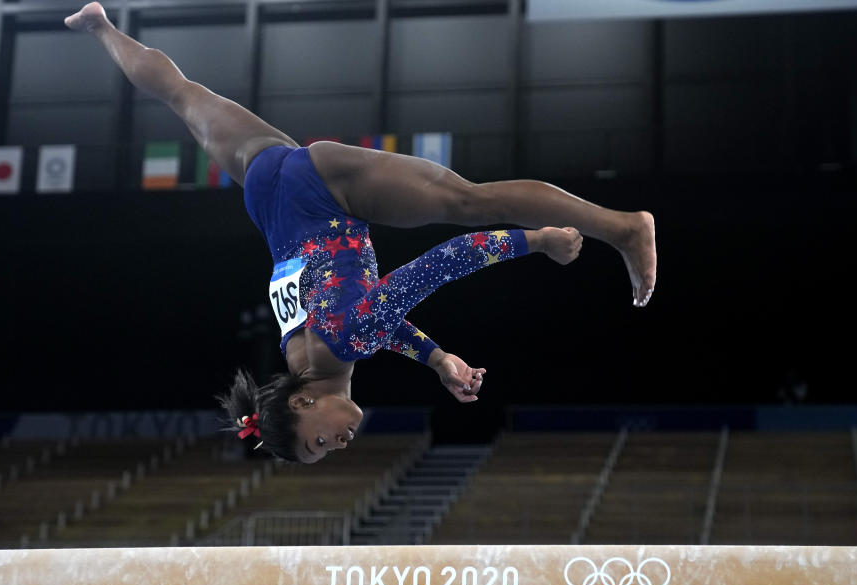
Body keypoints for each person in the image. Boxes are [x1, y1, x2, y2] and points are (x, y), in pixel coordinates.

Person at [65, 2, 657, 464]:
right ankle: (100, 27)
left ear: (302, 403)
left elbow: (443, 262)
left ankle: (623, 228)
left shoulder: (342, 342)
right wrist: (436, 357)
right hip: (269, 195)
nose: (338, 446)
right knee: (184, 97)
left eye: (317, 443)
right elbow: (371, 317)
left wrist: (538, 242)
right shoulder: (302, 354)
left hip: (324, 193)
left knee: (469, 202)